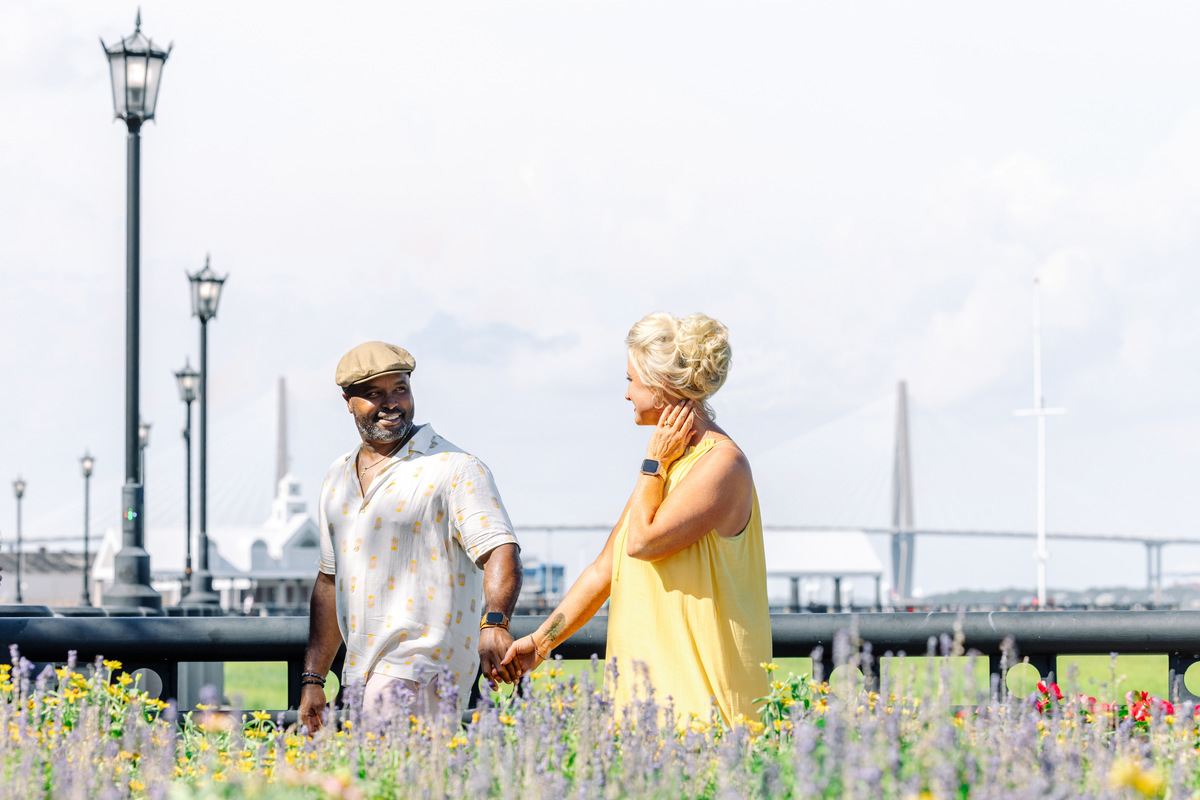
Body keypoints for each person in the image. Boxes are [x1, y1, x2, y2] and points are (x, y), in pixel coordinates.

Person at [502, 312, 771, 724]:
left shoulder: (721, 464)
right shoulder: (663, 470)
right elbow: (602, 572)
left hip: (704, 712)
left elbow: (643, 543)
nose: (626, 394)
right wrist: (540, 644)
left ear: (661, 386)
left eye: (631, 379)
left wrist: (653, 465)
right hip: (644, 713)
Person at [300, 341, 523, 731]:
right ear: (347, 401)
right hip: (360, 675)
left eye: (400, 388)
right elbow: (330, 581)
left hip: (424, 664)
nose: (391, 403)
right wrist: (314, 679)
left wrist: (495, 624)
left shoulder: (455, 468)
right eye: (374, 394)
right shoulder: (337, 477)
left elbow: (499, 549)